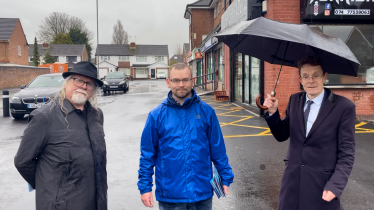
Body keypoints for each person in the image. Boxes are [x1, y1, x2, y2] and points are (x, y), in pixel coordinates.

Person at [263, 56, 355, 210]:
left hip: (322, 187)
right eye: (306, 76)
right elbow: (282, 134)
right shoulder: (295, 100)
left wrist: (336, 185)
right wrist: (273, 113)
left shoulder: (344, 107)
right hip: (291, 185)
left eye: (316, 75)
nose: (310, 80)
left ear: (325, 76)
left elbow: (347, 152)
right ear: (300, 79)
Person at [137, 63, 234, 210]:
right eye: (176, 80)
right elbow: (147, 155)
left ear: (192, 81)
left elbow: (218, 150)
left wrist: (225, 176)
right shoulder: (156, 116)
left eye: (185, 80)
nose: (181, 84)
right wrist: (145, 187)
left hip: (201, 194)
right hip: (170, 196)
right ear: (168, 82)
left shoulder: (207, 112)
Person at [14, 61, 108, 210]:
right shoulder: (45, 117)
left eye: (89, 83)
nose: (83, 86)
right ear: (66, 83)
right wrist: (51, 187)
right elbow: (23, 161)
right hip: (60, 205)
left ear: (93, 90)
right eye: (78, 80)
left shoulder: (96, 115)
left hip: (95, 202)